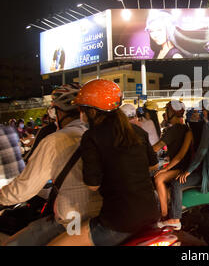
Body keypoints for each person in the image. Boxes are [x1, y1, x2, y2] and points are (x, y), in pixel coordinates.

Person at [48, 79, 160, 246]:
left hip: (118, 221)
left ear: (92, 111)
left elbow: (93, 185)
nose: (81, 113)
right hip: (151, 212)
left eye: (82, 109)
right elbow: (154, 165)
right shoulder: (136, 131)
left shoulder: (91, 137)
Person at [0, 83, 103, 246]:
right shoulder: (99, 135)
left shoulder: (54, 141)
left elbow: (24, 189)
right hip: (101, 219)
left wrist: (2, 197)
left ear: (59, 112)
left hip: (74, 220)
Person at [159, 100, 209, 230]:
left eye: (204, 110)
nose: (203, 113)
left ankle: (175, 218)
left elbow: (201, 152)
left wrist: (188, 172)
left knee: (176, 183)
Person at [152, 101, 193, 223]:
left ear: (172, 113)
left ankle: (164, 214)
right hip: (184, 166)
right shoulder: (185, 128)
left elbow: (156, 148)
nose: (165, 114)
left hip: (180, 168)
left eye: (167, 111)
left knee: (158, 178)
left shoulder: (174, 130)